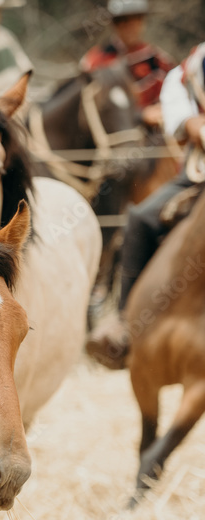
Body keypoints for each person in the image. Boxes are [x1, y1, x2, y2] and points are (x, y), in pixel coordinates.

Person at [86, 42, 205, 368]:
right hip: (199, 174)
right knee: (139, 217)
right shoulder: (193, 65)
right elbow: (181, 111)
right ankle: (125, 323)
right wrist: (191, 124)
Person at [80, 0, 174, 127]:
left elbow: (174, 98)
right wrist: (139, 114)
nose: (130, 26)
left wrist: (161, 110)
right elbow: (85, 104)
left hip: (153, 134)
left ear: (142, 21)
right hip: (110, 132)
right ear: (113, 24)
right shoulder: (95, 60)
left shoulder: (158, 60)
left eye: (136, 19)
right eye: (122, 20)